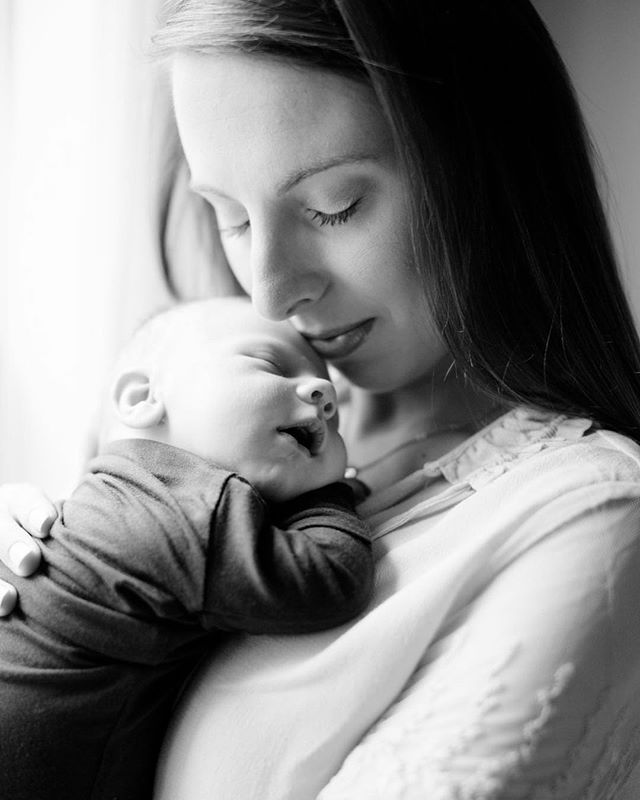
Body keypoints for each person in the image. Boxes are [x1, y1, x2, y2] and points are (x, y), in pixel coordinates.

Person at [1, 0, 640, 797]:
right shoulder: (224, 423)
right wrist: (44, 596)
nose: (271, 294)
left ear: (486, 165)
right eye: (228, 216)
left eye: (334, 205)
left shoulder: (593, 522)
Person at [0, 296, 372, 800]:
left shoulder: (114, 502)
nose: (324, 392)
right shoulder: (183, 507)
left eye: (337, 423)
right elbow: (331, 579)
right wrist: (331, 493)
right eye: (269, 364)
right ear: (141, 398)